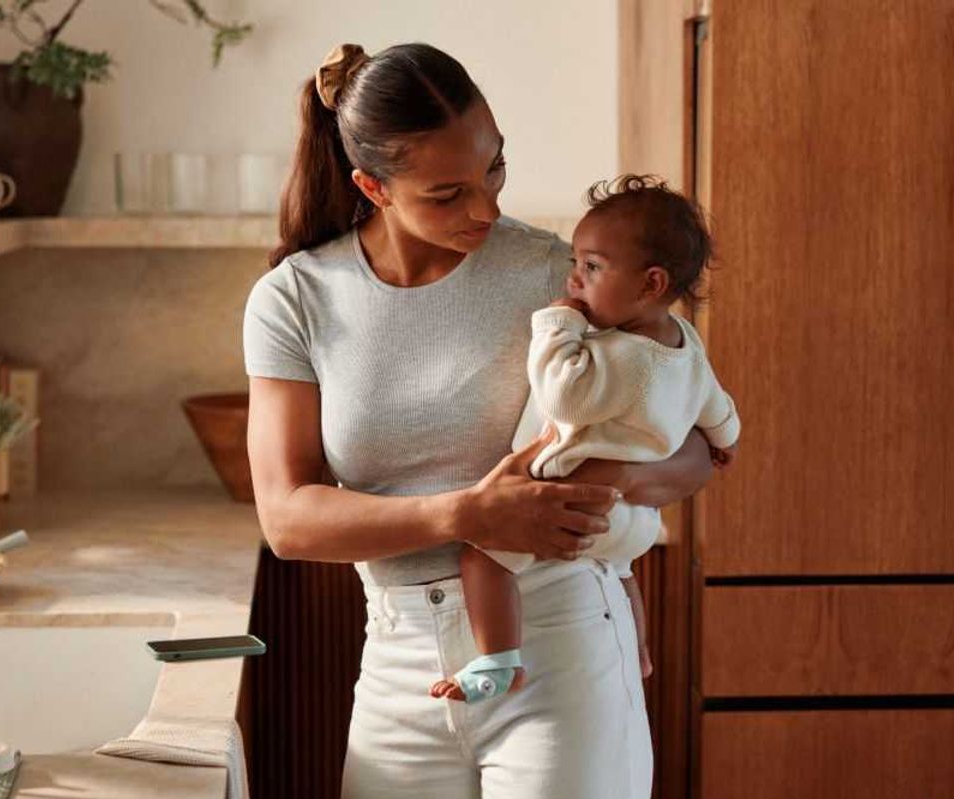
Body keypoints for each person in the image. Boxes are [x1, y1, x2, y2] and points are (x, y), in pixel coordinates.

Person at [243, 42, 716, 799]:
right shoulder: (296, 298)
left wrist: (613, 481)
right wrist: (470, 512)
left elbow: (699, 445)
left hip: (560, 638)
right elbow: (288, 517)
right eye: (447, 193)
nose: (487, 209)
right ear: (374, 186)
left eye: (495, 168)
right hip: (399, 663)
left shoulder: (560, 275)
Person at [429, 174, 740, 704]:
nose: (575, 281)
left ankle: (498, 662)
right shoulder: (684, 343)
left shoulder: (623, 358)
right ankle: (637, 651)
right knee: (618, 574)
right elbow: (718, 406)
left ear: (651, 285)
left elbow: (563, 396)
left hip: (568, 500)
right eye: (576, 264)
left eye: (592, 268)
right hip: (629, 519)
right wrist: (723, 440)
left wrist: (556, 324)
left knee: (483, 558)